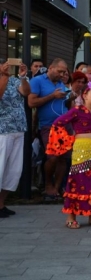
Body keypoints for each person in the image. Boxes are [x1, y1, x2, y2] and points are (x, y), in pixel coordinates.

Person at [47, 81, 91, 229]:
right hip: (82, 150)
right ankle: (71, 217)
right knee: (78, 181)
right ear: (84, 95)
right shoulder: (77, 111)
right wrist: (68, 140)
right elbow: (58, 123)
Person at [28, 58, 70, 201]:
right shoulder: (38, 81)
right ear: (51, 68)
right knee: (52, 157)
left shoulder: (60, 83)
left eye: (64, 72)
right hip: (48, 125)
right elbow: (31, 102)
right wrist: (53, 96)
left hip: (64, 125)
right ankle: (48, 184)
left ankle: (57, 188)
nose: (62, 74)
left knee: (63, 158)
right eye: (59, 71)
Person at [0, 60, 30, 218]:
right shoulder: (4, 79)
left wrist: (23, 77)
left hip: (19, 128)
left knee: (13, 170)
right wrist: (4, 76)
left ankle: (1, 203)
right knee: (0, 168)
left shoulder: (13, 80)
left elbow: (26, 92)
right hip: (2, 130)